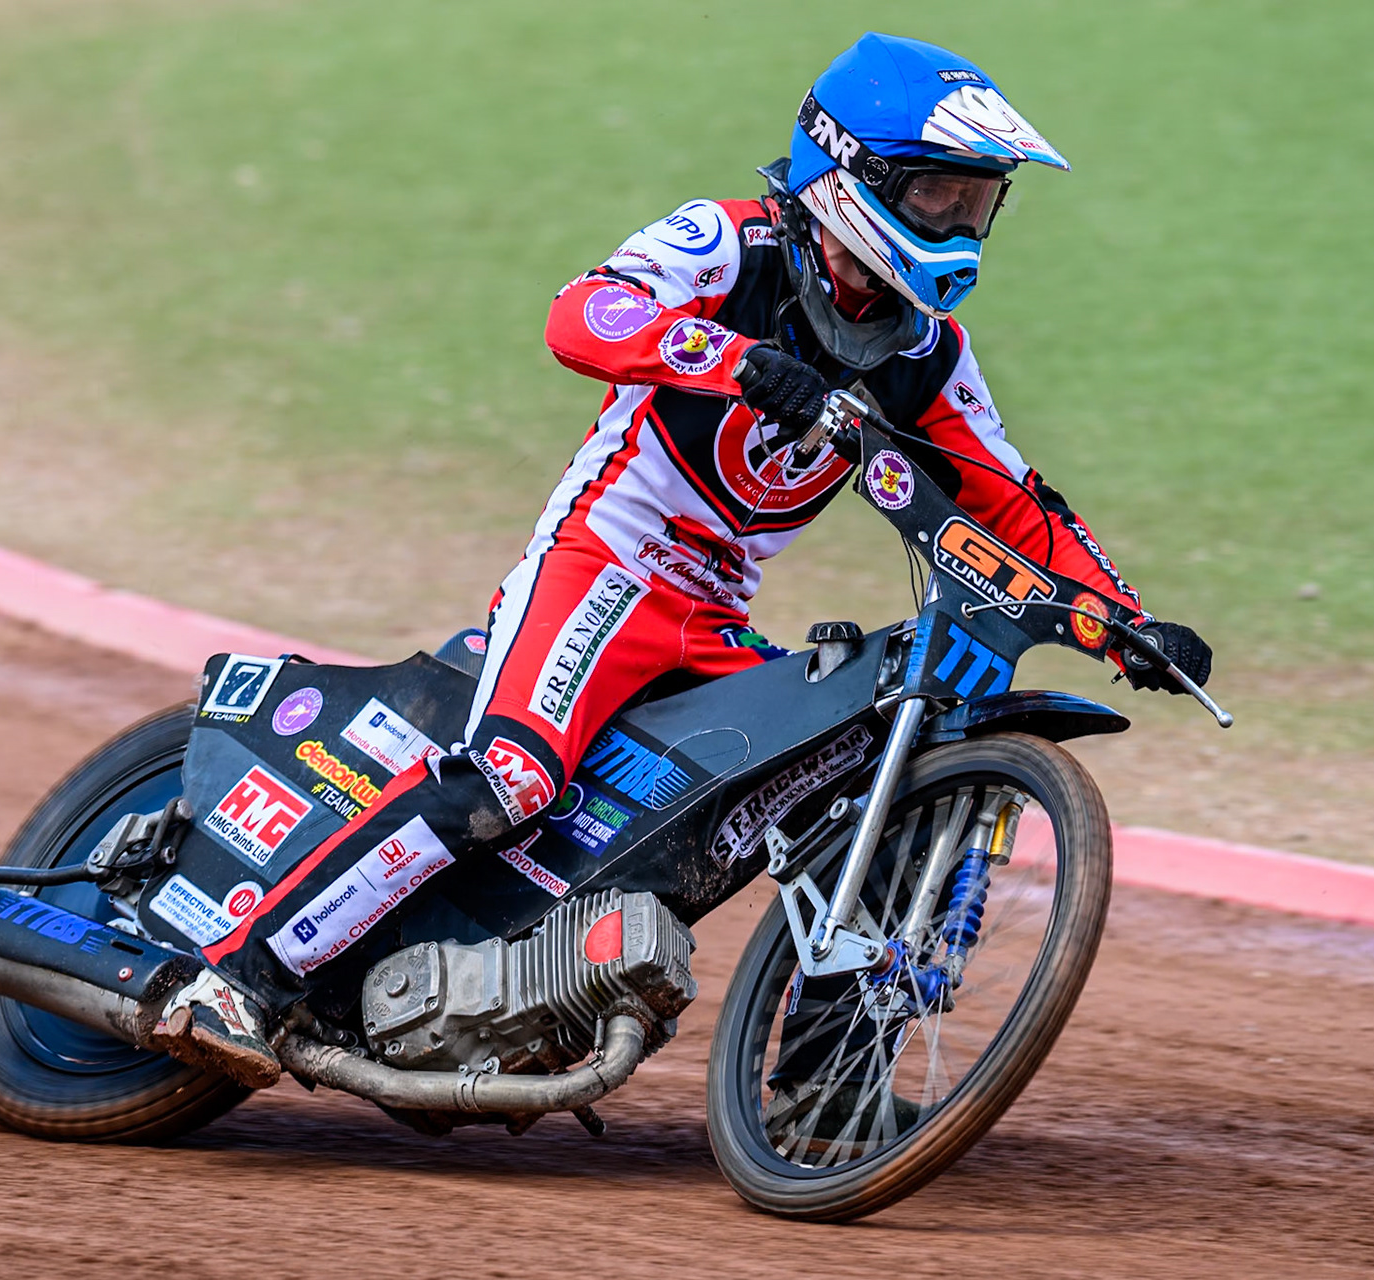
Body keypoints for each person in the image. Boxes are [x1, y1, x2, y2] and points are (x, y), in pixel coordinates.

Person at [155, 32, 1214, 1087]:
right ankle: (236, 972)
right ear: (853, 176)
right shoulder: (728, 243)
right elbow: (585, 314)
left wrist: (1124, 621)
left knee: (848, 761)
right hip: (603, 563)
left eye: (976, 203)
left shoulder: (928, 349)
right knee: (513, 774)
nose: (958, 224)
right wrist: (736, 359)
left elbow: (1013, 500)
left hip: (712, 619)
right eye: (938, 195)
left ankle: (824, 1077)